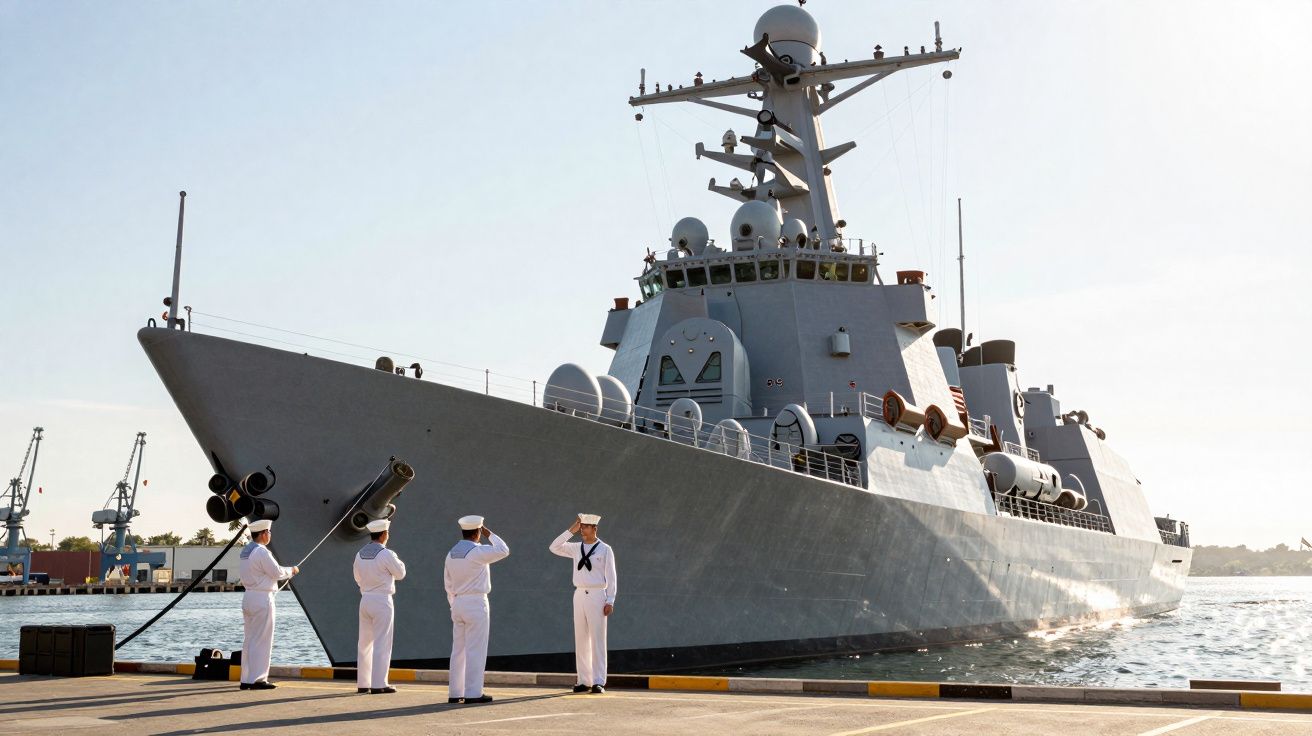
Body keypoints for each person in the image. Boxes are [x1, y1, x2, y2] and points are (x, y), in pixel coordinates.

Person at [443, 515, 509, 704]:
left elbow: (448, 584)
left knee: (458, 650)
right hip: (476, 604)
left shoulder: (451, 553)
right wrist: (490, 534)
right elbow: (504, 550)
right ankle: (473, 692)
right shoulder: (477, 552)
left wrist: (453, 604)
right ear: (478, 531)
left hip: (457, 603)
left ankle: (455, 693)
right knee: (476, 649)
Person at [549, 514, 617, 694]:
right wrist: (569, 531)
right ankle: (584, 680)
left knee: (597, 639)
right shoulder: (576, 548)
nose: (582, 529)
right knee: (581, 638)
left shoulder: (604, 549)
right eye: (581, 526)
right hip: (579, 593)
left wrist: (610, 599)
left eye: (586, 526)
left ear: (595, 528)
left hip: (597, 594)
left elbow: (611, 576)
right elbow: (554, 547)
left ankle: (599, 680)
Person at [237, 518, 298, 690]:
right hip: (262, 598)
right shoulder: (262, 552)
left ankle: (246, 678)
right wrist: (292, 570)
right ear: (264, 534)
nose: (270, 535)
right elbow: (277, 572)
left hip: (248, 597)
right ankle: (259, 679)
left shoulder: (245, 552)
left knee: (249, 639)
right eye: (269, 532)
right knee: (263, 639)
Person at [354, 518, 407, 694]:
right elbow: (400, 574)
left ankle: (363, 683)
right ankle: (379, 683)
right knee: (382, 642)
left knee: (364, 643)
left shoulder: (360, 553)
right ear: (384, 534)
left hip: (365, 599)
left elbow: (357, 578)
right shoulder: (387, 554)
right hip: (382, 600)